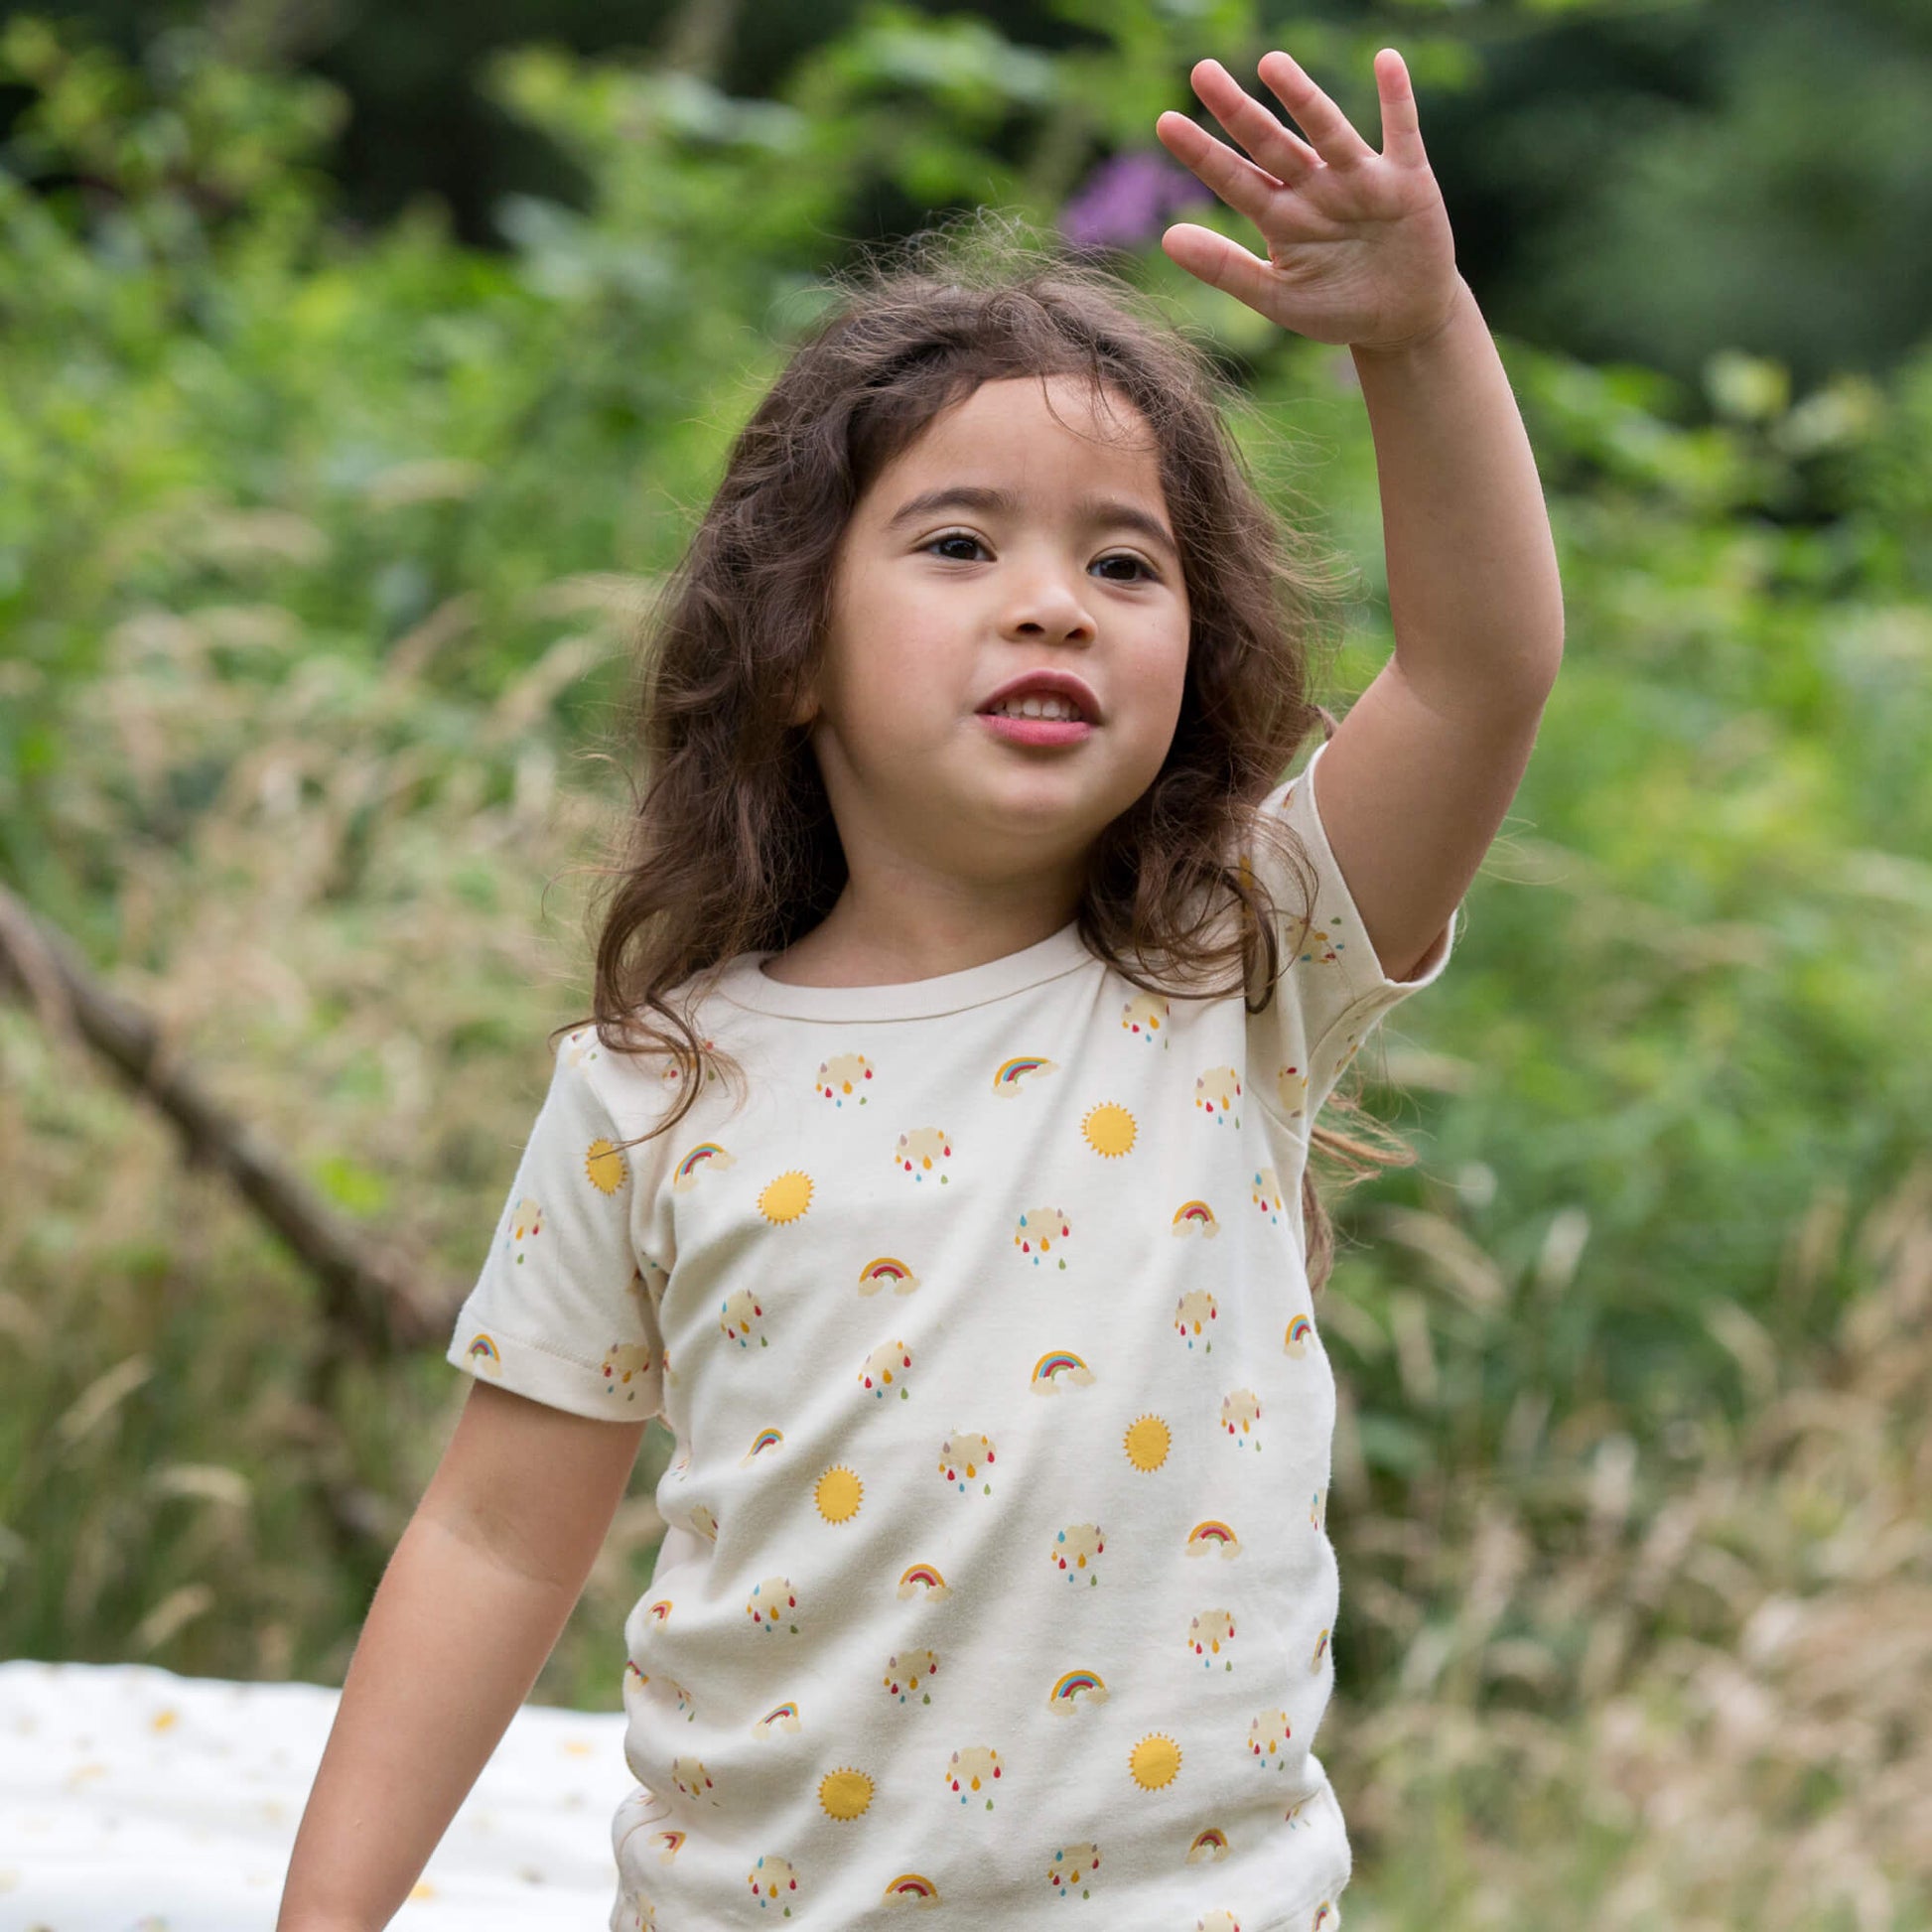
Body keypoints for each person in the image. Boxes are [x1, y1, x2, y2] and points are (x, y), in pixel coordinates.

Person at [279, 45, 1562, 1932]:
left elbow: (1477, 671)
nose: (1049, 601)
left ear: (1189, 660)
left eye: (1122, 563)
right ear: (790, 647)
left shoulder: (1239, 960)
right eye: (959, 544)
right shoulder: (657, 1082)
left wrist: (1417, 330)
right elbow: (488, 1536)